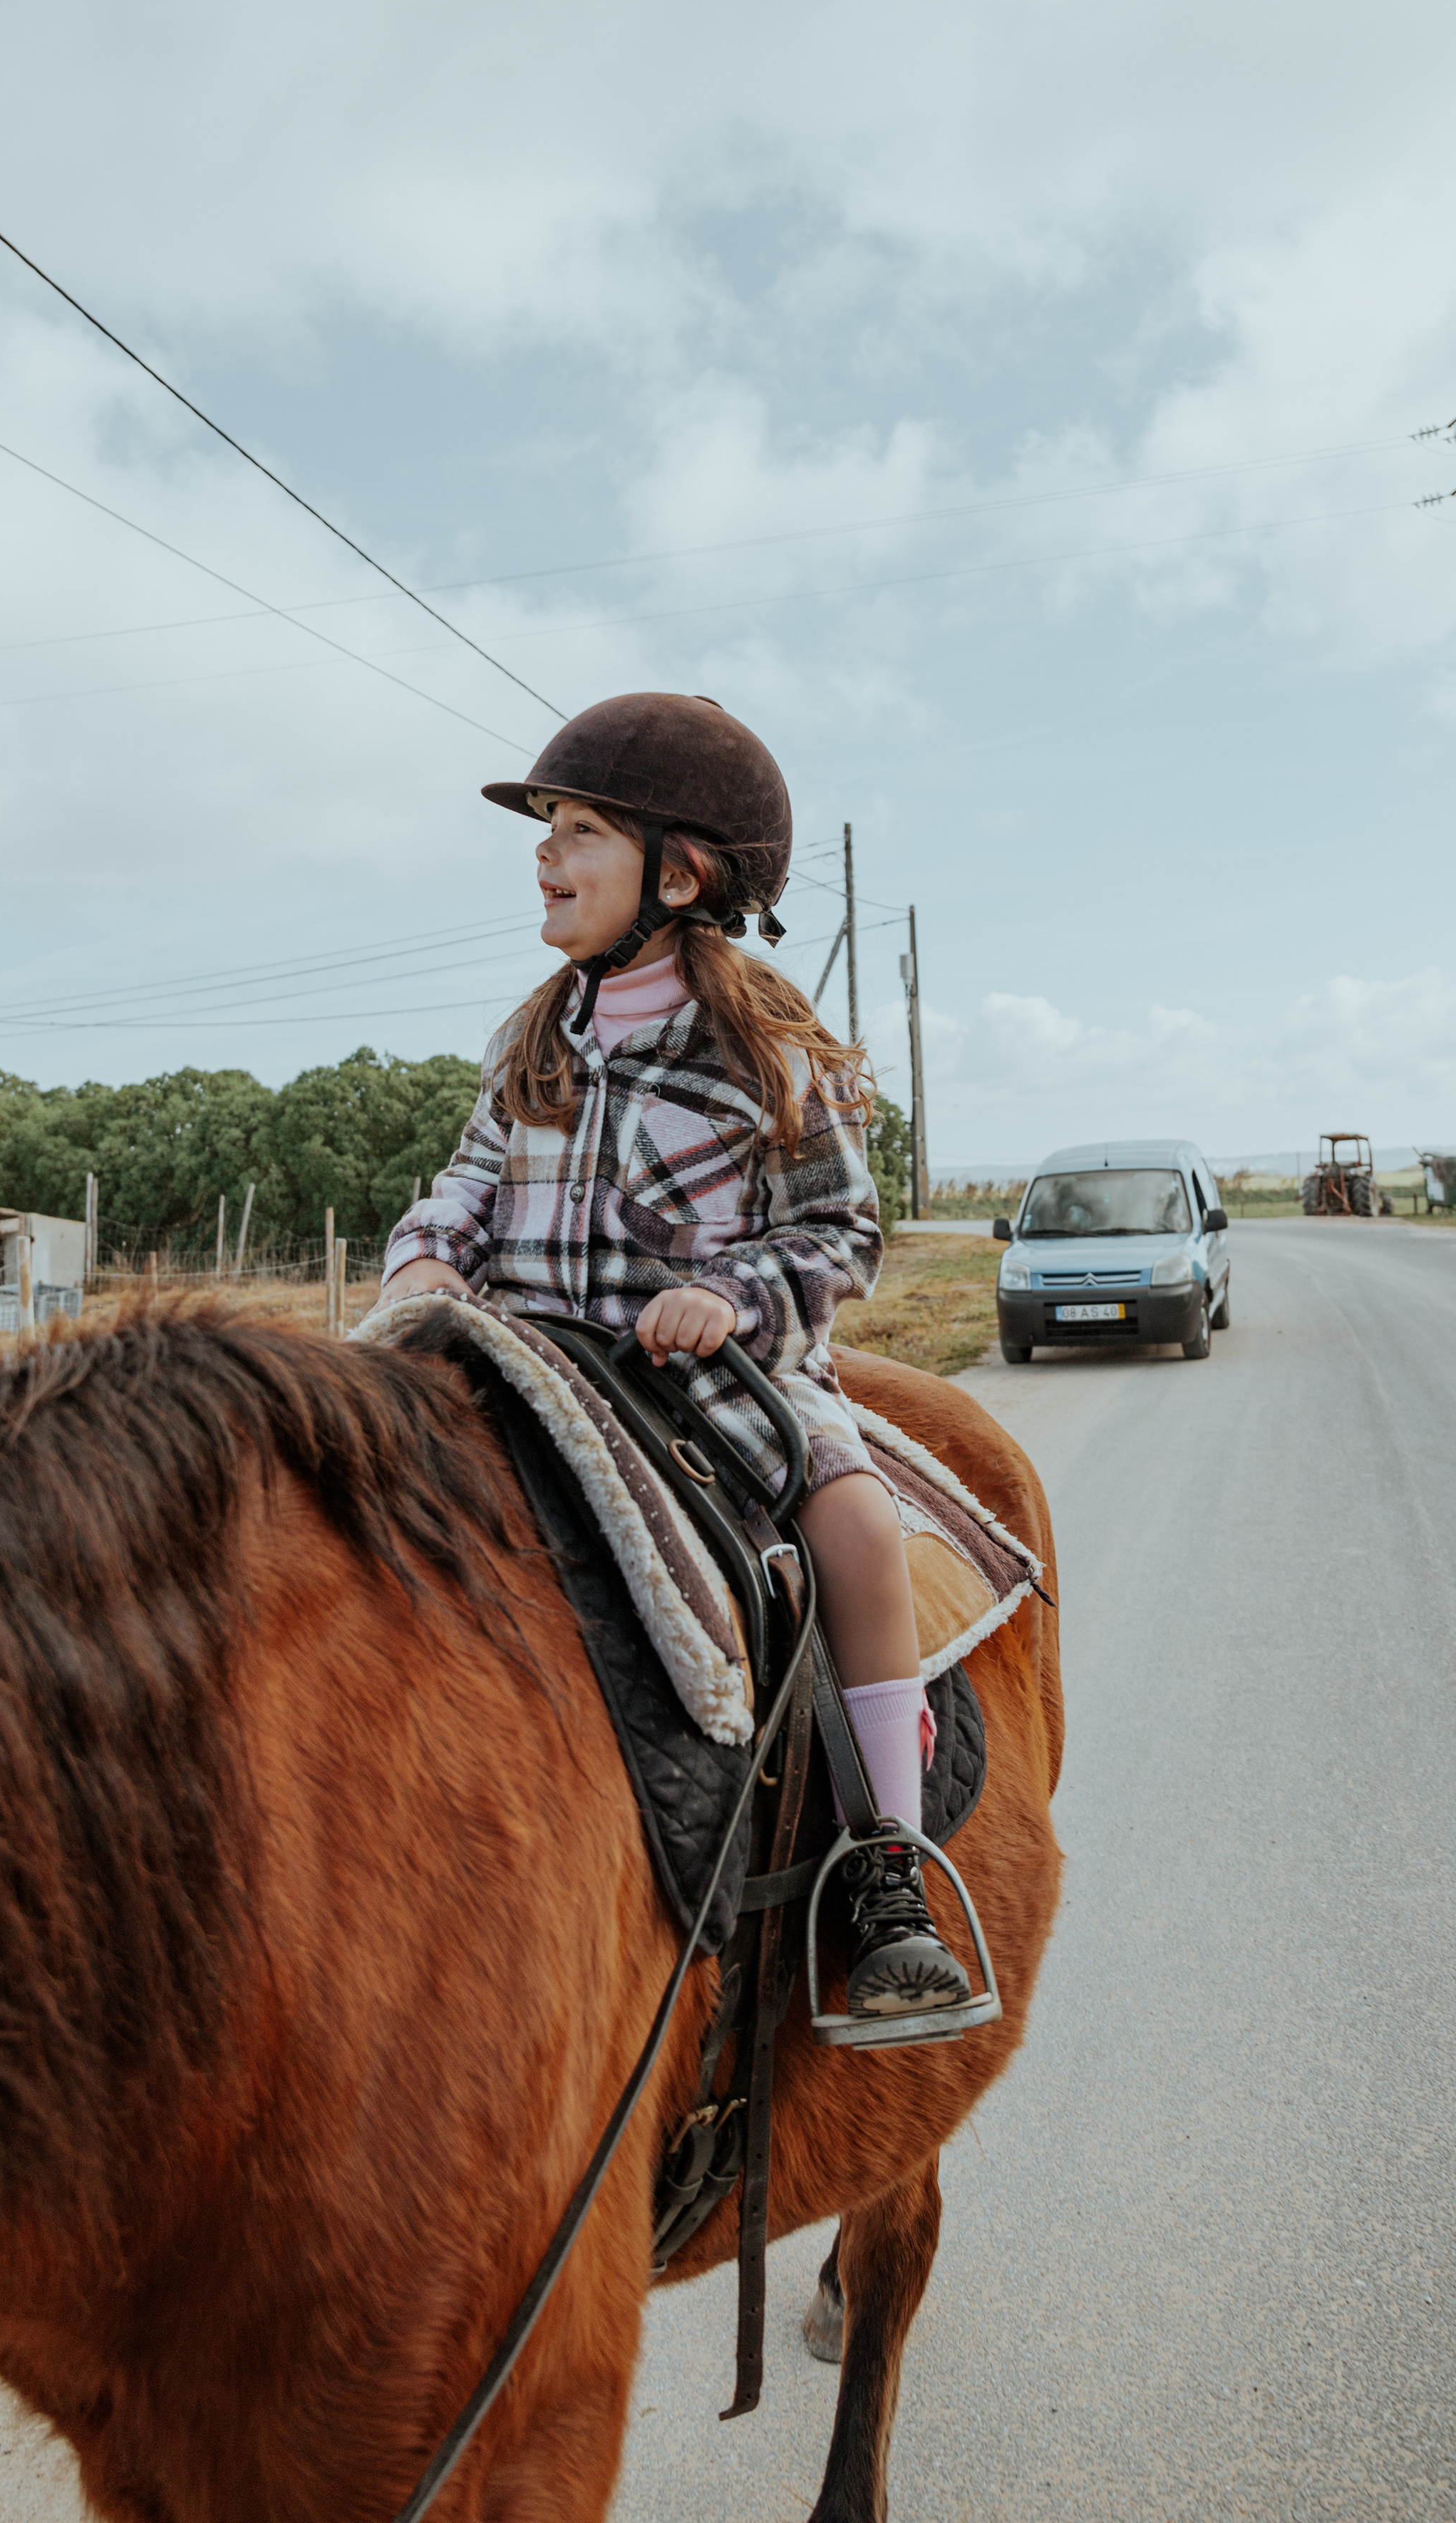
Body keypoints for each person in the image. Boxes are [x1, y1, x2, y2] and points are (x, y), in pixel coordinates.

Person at [381, 690, 969, 2018]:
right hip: (523, 1366)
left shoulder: (761, 1051)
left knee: (859, 1531)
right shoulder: (535, 1034)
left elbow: (842, 1232)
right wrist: (423, 1256)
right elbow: (464, 1190)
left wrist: (734, 1294)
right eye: (545, 827)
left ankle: (886, 1864)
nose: (545, 852)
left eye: (578, 829)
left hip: (717, 1381)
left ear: (680, 872)